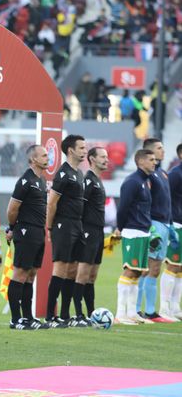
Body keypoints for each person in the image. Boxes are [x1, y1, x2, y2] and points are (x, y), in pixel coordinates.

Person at [45, 134, 87, 328]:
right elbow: (52, 202)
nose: (85, 151)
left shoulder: (78, 173)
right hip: (63, 225)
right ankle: (49, 316)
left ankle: (64, 314)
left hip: (77, 225)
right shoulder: (63, 174)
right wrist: (49, 227)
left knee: (72, 270)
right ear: (71, 150)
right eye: (81, 148)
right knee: (60, 269)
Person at [5, 145, 49, 330]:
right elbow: (12, 209)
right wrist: (13, 228)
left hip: (39, 231)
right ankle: (16, 320)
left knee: (31, 274)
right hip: (26, 231)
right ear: (33, 159)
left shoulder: (41, 180)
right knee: (20, 273)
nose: (48, 158)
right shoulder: (25, 181)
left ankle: (28, 317)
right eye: (44, 155)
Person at [115, 149, 157, 325]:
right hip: (132, 231)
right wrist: (120, 228)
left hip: (143, 231)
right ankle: (120, 314)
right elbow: (123, 208)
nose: (154, 162)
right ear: (140, 162)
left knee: (138, 272)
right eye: (151, 159)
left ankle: (131, 312)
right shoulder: (132, 181)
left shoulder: (144, 181)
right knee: (129, 270)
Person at [137, 138, 176, 322]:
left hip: (165, 224)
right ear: (149, 152)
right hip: (154, 225)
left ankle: (150, 311)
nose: (163, 151)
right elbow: (145, 202)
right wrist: (151, 226)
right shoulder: (149, 176)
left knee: (155, 269)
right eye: (160, 148)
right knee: (147, 268)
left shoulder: (163, 173)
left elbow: (166, 201)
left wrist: (169, 224)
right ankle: (139, 310)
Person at [81, 147, 110, 319]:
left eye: (107, 157)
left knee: (92, 276)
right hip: (88, 231)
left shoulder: (98, 180)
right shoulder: (88, 180)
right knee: (83, 274)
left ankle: (91, 312)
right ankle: (78, 313)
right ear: (92, 159)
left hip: (99, 232)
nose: (107, 160)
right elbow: (81, 207)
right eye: (103, 157)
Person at [161, 157, 182, 319]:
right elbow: (166, 199)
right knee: (173, 266)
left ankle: (175, 307)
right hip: (176, 224)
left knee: (180, 268)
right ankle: (164, 307)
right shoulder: (175, 174)